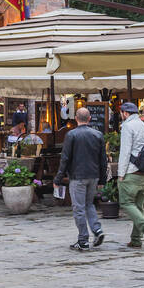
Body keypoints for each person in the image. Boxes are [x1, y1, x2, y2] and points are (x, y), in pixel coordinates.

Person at [53, 107, 108, 252]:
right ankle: (97, 230)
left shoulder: (71, 135)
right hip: (94, 175)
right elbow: (103, 160)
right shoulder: (98, 134)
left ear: (76, 118)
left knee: (78, 207)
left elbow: (65, 158)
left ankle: (83, 239)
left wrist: (58, 178)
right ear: (89, 119)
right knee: (89, 204)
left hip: (78, 176)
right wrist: (103, 179)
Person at [116, 101, 144, 249]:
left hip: (132, 171)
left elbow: (125, 151)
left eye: (121, 114)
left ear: (125, 113)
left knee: (126, 202)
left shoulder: (127, 126)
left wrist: (121, 174)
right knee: (138, 206)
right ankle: (136, 240)